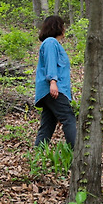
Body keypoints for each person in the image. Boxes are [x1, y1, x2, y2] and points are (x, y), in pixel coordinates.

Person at [33, 14, 76, 149]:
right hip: (53, 89)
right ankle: (77, 152)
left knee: (48, 123)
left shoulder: (52, 44)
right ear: (57, 27)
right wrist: (53, 82)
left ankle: (38, 154)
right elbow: (50, 63)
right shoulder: (51, 42)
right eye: (63, 26)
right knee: (68, 118)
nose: (64, 29)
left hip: (50, 90)